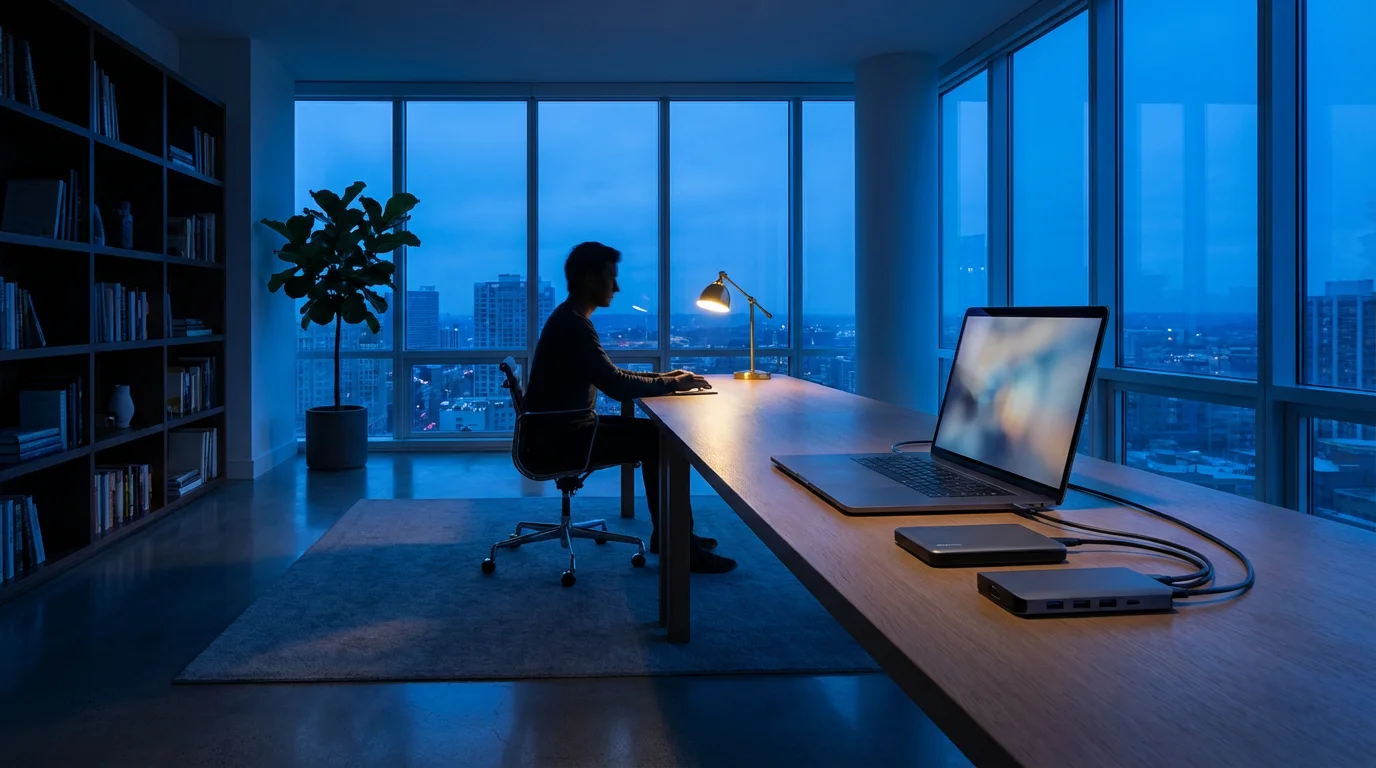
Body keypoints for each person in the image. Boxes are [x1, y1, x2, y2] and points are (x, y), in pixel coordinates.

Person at [522, 241, 738, 574]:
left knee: (657, 434)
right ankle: (678, 543)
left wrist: (667, 377)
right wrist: (671, 383)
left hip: (558, 431)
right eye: (611, 277)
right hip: (562, 440)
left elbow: (613, 376)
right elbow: (618, 386)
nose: (617, 286)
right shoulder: (574, 325)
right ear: (589, 279)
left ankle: (672, 535)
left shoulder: (571, 320)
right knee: (660, 440)